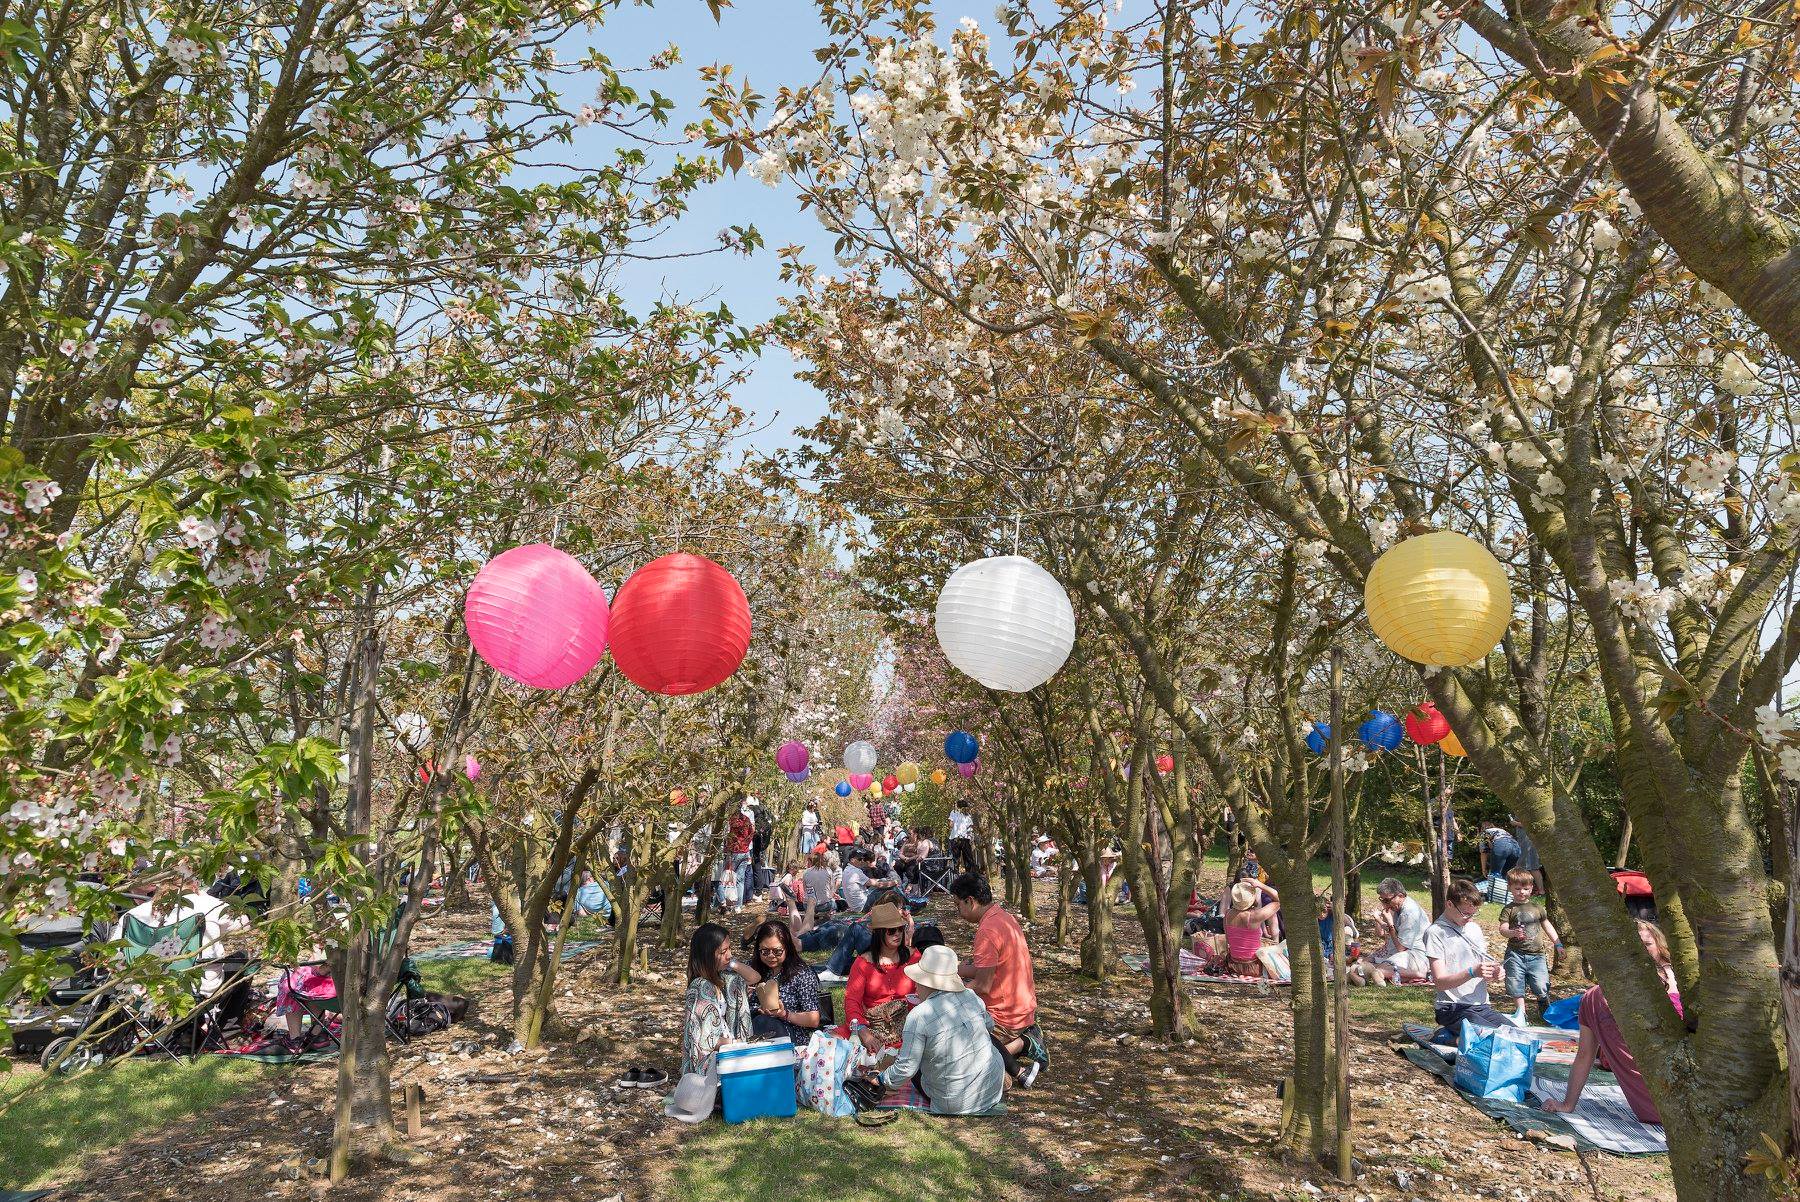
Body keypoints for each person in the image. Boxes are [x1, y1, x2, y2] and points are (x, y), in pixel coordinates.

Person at [1541, 921, 1680, 1123]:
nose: (1639, 952)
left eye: (1647, 944)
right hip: (1665, 1107)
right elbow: (1585, 1054)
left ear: (1660, 947)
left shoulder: (1682, 980)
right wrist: (1567, 1104)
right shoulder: (1594, 999)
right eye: (1630, 945)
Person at [862, 944, 1006, 1115]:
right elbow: (989, 1027)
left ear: (926, 982)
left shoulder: (920, 1015)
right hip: (992, 1090)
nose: (915, 986)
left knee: (915, 1063)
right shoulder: (971, 997)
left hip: (952, 1102)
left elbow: (906, 1067)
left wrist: (881, 1080)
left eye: (917, 980)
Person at [950, 872, 1042, 1088]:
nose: (958, 912)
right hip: (1022, 1007)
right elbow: (992, 970)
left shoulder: (987, 931)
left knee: (958, 1055)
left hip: (1005, 1017)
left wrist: (949, 991)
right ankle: (1019, 1044)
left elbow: (982, 985)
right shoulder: (1002, 917)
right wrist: (959, 970)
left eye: (958, 905)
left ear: (970, 901)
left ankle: (1020, 1046)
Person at [1425, 877, 1506, 1039]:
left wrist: (1496, 973)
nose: (1469, 918)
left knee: (1518, 1037)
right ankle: (1449, 1037)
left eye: (1473, 914)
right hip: (1452, 1009)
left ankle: (1456, 1037)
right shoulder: (1435, 933)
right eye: (1465, 913)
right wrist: (1472, 972)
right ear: (1449, 904)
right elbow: (1440, 982)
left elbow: (1484, 968)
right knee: (1493, 1039)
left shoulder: (1474, 929)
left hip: (1481, 1006)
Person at [677, 923, 755, 1081]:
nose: (729, 955)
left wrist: (731, 963)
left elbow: (754, 977)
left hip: (726, 1049)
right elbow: (705, 1041)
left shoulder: (722, 977)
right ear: (708, 955)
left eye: (729, 949)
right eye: (723, 952)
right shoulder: (701, 987)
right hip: (717, 1058)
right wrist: (738, 1043)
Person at [840, 901, 919, 1052]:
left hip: (909, 1028)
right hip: (873, 1027)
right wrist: (864, 1033)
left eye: (900, 929)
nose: (897, 934)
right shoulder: (863, 963)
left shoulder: (913, 957)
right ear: (878, 933)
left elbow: (927, 993)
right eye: (891, 931)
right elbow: (852, 1002)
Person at [744, 919, 822, 1044]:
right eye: (764, 951)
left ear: (787, 948)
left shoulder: (801, 974)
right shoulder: (750, 970)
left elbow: (813, 1019)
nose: (771, 956)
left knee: (766, 1022)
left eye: (777, 951)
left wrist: (784, 1014)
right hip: (752, 1032)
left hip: (789, 1035)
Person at [1498, 866, 1560, 1022]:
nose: (1521, 892)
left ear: (1532, 888)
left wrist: (1558, 944)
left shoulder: (1537, 908)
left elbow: (1547, 925)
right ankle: (1521, 1013)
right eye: (1517, 888)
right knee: (1515, 983)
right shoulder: (1509, 909)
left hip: (1537, 955)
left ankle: (1543, 1003)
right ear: (1510, 888)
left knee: (1541, 984)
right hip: (1515, 953)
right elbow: (1503, 928)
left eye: (1525, 888)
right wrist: (1511, 932)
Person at [1354, 877, 1432, 985]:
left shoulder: (1409, 913)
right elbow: (1382, 934)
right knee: (1366, 961)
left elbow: (1401, 948)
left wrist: (1390, 924)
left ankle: (1420, 974)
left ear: (1400, 895)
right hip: (1398, 953)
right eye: (1382, 900)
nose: (1385, 904)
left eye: (1387, 900)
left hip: (1416, 955)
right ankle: (1367, 972)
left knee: (1381, 968)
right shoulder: (1397, 908)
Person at [1216, 880, 1280, 978]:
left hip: (1233, 966)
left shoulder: (1227, 914)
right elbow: (1279, 899)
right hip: (1254, 968)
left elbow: (1229, 940)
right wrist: (1261, 885)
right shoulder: (1254, 917)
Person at [726, 804, 756, 912]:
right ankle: (738, 905)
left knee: (730, 878)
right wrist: (746, 845)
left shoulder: (731, 821)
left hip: (734, 852)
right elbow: (752, 833)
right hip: (744, 852)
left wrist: (729, 849)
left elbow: (727, 835)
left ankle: (729, 903)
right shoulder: (746, 819)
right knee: (740, 880)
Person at [802, 848, 838, 914]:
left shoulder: (806, 872)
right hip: (823, 905)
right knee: (834, 904)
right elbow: (832, 889)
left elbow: (804, 889)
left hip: (807, 905)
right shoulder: (828, 871)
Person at [840, 847, 875, 913]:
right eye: (860, 859)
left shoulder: (847, 869)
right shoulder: (856, 872)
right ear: (852, 860)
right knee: (885, 890)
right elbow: (876, 884)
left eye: (863, 859)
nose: (862, 861)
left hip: (855, 905)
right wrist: (893, 882)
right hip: (862, 906)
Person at [948, 804, 978, 875]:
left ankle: (955, 876)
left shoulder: (954, 812)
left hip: (955, 838)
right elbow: (970, 827)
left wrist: (954, 825)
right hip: (965, 839)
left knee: (955, 859)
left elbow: (950, 825)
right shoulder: (967, 815)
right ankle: (970, 876)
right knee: (968, 859)